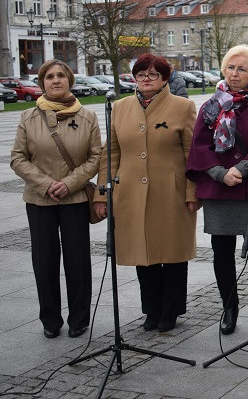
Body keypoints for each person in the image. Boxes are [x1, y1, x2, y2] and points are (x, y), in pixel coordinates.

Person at [93, 53, 199, 333]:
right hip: (131, 192)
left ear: (165, 78)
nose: (146, 79)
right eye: (141, 74)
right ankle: (151, 310)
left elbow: (192, 153)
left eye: (153, 74)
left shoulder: (183, 107)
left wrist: (193, 192)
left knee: (172, 253)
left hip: (171, 191)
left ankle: (171, 311)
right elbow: (110, 153)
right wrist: (102, 194)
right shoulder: (119, 107)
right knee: (143, 252)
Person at [186, 45, 248, 335]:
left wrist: (241, 169)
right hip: (219, 188)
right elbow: (199, 145)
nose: (235, 73)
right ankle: (229, 307)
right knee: (222, 252)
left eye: (242, 69)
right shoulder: (211, 105)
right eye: (230, 67)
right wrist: (219, 173)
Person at [11, 60, 102, 339]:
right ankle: (50, 319)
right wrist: (47, 184)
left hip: (75, 200)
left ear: (69, 80)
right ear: (42, 83)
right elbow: (18, 158)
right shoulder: (28, 117)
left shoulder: (88, 117)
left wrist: (69, 183)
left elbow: (96, 157)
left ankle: (79, 319)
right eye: (49, 76)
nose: (56, 80)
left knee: (78, 261)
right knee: (44, 261)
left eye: (61, 75)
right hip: (39, 200)